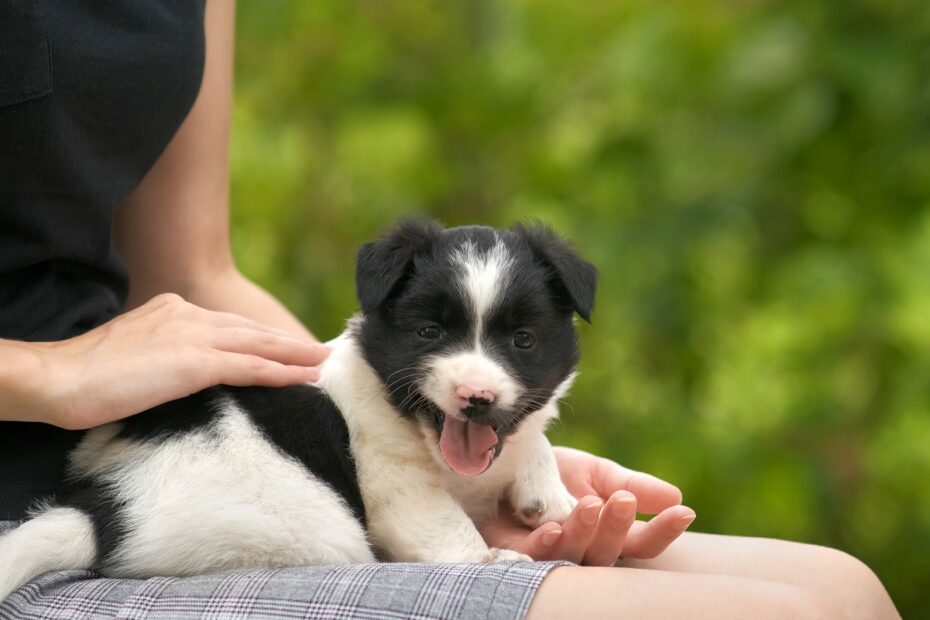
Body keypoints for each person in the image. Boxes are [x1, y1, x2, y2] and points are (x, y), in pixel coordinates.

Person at [0, 2, 898, 618]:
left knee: (842, 591)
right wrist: (44, 370)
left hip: (164, 467)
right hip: (56, 525)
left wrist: (435, 457)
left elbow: (194, 272)